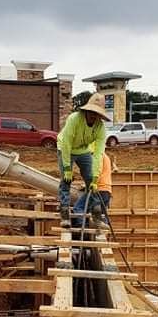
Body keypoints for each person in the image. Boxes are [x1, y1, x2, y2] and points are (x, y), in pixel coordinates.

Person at [56, 93, 111, 227]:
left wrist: (95, 178)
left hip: (83, 150)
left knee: (91, 180)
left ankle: (97, 216)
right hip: (65, 148)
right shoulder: (74, 119)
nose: (93, 115)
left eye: (96, 113)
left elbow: (98, 154)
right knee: (66, 181)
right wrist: (68, 168)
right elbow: (67, 143)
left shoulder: (100, 128)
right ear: (86, 110)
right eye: (91, 112)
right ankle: (65, 215)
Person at [71, 152, 112, 229]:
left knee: (79, 207)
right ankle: (103, 230)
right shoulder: (105, 156)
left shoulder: (98, 156)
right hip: (106, 190)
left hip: (98, 189)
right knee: (101, 214)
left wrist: (92, 183)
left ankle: (82, 227)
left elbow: (97, 173)